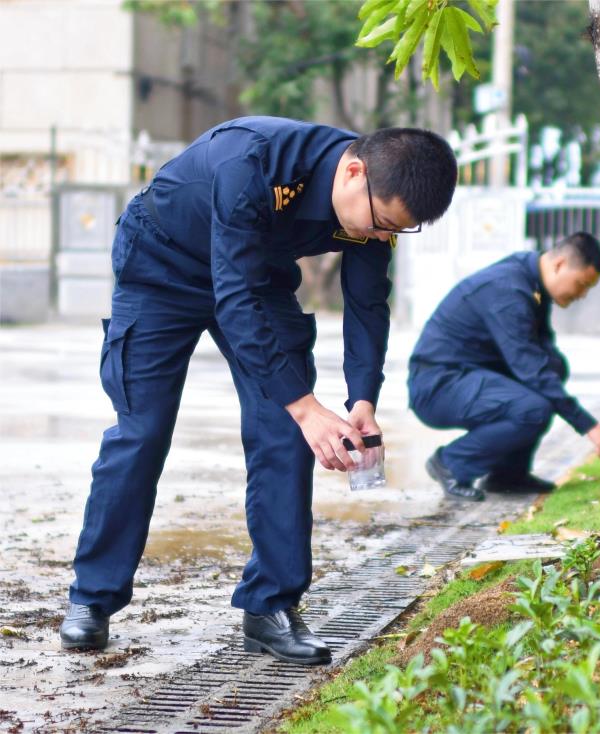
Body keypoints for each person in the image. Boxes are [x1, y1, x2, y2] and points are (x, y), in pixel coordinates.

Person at [59, 116, 457, 665]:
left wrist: (361, 399)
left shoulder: (370, 205)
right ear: (354, 171)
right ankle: (92, 598)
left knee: (285, 434)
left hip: (256, 275)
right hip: (162, 265)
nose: (381, 237)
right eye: (383, 222)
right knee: (142, 432)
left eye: (397, 231)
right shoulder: (253, 162)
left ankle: (270, 605)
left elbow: (367, 301)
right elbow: (233, 295)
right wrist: (305, 406)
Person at [408, 232, 600, 501]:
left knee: (553, 369)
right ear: (560, 265)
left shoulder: (531, 282)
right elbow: (531, 369)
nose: (582, 295)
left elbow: (542, 359)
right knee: (533, 408)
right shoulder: (509, 291)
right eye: (581, 284)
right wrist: (590, 427)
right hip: (438, 385)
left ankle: (507, 475)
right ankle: (451, 463)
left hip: (467, 376)